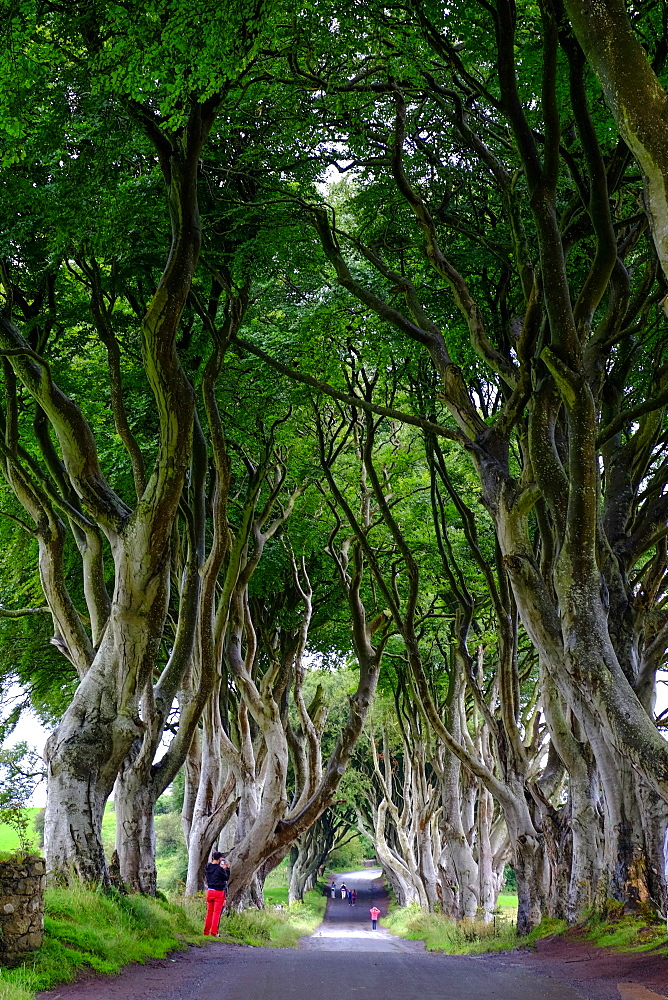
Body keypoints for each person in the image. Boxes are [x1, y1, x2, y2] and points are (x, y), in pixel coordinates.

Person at [203, 851, 230, 936]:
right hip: (218, 892)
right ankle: (214, 932)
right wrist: (227, 868)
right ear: (219, 859)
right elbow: (226, 878)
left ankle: (206, 931)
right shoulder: (219, 869)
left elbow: (212, 867)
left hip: (210, 891)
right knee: (216, 913)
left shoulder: (208, 866)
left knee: (209, 912)